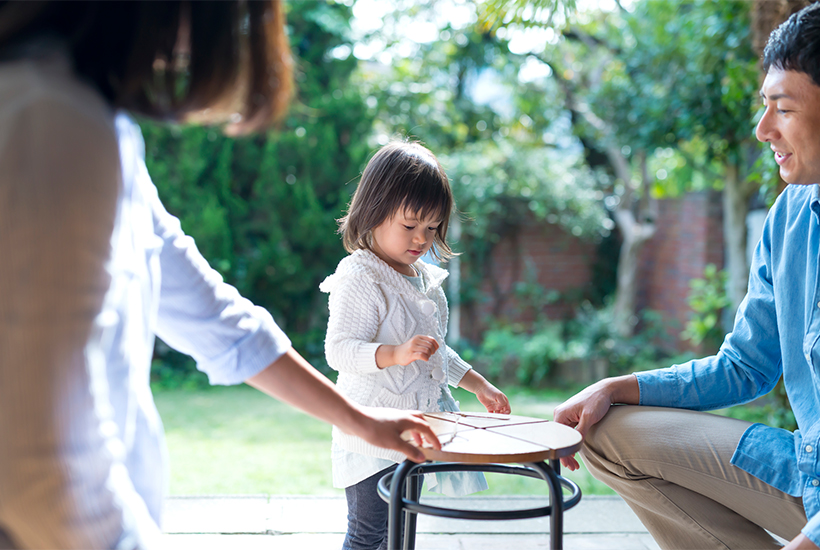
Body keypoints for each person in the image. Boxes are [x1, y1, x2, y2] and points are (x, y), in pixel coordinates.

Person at [0, 2, 440, 549]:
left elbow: (221, 323)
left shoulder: (90, 120)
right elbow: (32, 455)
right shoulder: (54, 120)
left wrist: (365, 423)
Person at [553, 4, 820, 549]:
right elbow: (746, 367)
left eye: (783, 108)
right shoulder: (789, 218)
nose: (763, 128)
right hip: (806, 467)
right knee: (608, 430)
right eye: (763, 106)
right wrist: (618, 387)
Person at [320, 140, 511, 550]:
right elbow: (339, 350)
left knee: (403, 529)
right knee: (370, 531)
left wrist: (477, 383)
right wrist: (394, 354)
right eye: (410, 226)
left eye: (432, 227)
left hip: (416, 429)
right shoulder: (361, 276)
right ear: (374, 211)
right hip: (371, 430)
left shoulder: (425, 279)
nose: (422, 238)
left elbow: (435, 349)